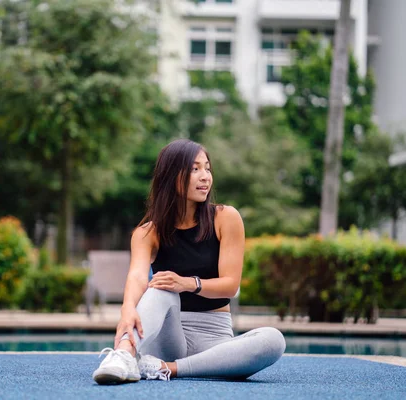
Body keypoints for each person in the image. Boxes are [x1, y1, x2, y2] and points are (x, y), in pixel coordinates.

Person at [92, 139, 286, 385]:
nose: (205, 176)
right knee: (160, 288)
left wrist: (186, 283)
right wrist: (127, 308)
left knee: (273, 340)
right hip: (168, 335)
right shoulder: (147, 232)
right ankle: (123, 356)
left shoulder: (226, 218)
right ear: (171, 175)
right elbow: (137, 276)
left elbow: (230, 284)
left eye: (207, 168)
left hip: (214, 340)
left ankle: (167, 369)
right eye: (195, 169)